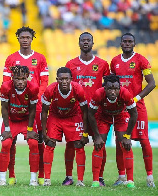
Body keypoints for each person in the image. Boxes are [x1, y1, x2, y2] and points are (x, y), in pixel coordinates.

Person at [3, 26, 49, 185]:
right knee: (11, 141)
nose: (24, 40)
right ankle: (11, 175)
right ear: (18, 38)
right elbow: (6, 83)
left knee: (38, 140)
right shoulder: (10, 59)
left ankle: (41, 175)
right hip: (15, 104)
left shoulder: (40, 58)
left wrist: (36, 96)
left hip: (35, 106)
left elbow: (44, 82)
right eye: (22, 37)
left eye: (27, 37)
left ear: (31, 39)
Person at [110, 33, 156, 187]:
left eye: (130, 41)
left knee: (144, 140)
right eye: (125, 41)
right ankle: (122, 177)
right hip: (121, 108)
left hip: (138, 106)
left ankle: (150, 178)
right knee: (120, 141)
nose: (127, 44)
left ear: (134, 44)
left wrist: (136, 99)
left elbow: (151, 84)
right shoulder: (115, 61)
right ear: (121, 43)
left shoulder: (141, 60)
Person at [65, 32, 110, 186]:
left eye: (88, 40)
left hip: (98, 112)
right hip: (77, 112)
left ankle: (100, 177)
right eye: (83, 40)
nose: (85, 42)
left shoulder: (103, 64)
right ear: (79, 43)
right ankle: (71, 177)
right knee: (74, 143)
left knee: (100, 144)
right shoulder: (70, 64)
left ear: (93, 43)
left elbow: (108, 87)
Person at [88, 74, 138, 188]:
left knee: (125, 144)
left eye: (116, 88)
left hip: (120, 115)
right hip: (103, 116)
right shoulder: (98, 94)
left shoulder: (125, 93)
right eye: (110, 88)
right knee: (99, 145)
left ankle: (130, 180)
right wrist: (97, 136)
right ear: (104, 88)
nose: (113, 92)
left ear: (119, 88)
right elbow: (90, 114)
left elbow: (134, 114)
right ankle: (96, 181)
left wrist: (127, 136)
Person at [41, 67, 88, 187]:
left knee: (78, 144)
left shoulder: (78, 89)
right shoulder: (50, 89)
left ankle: (79, 180)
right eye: (61, 79)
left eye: (67, 79)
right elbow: (44, 111)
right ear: (57, 79)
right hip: (55, 117)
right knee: (50, 144)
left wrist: (85, 133)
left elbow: (85, 112)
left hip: (73, 116)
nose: (64, 82)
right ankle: (47, 180)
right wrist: (44, 132)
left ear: (71, 79)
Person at [0, 65, 39, 186]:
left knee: (33, 143)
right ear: (12, 78)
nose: (20, 82)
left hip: (26, 120)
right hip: (11, 120)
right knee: (6, 144)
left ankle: (33, 179)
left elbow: (32, 110)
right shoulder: (6, 87)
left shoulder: (33, 88)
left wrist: (30, 129)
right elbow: (4, 108)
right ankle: (3, 179)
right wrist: (6, 128)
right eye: (17, 79)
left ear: (27, 77)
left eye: (23, 78)